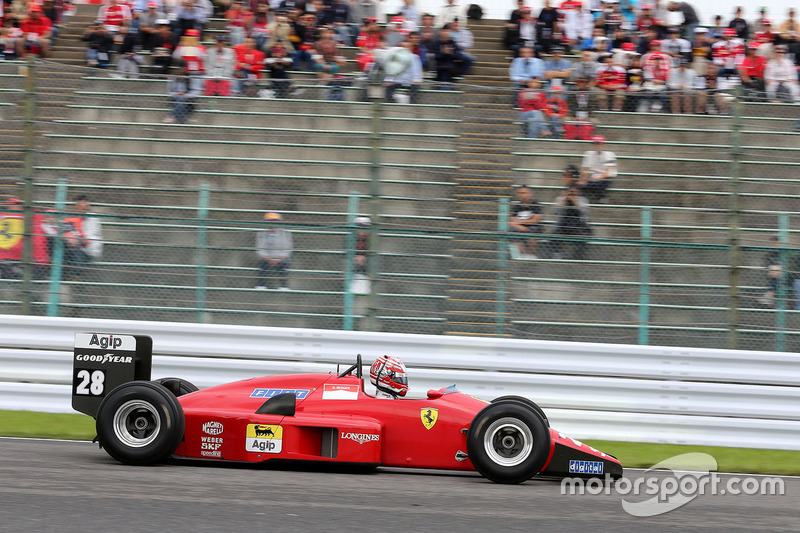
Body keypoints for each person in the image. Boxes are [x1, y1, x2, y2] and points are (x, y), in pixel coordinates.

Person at [61, 195, 103, 281]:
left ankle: (77, 276)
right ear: (75, 206)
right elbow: (68, 231)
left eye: (85, 204)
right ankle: (64, 275)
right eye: (80, 205)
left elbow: (90, 237)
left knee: (77, 251)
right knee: (64, 246)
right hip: (75, 245)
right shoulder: (72, 218)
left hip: (88, 249)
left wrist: (79, 242)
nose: (82, 208)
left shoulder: (92, 218)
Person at [550, 186, 591, 260]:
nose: (572, 193)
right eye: (571, 191)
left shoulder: (583, 200)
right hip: (562, 225)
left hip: (578, 225)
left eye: (575, 191)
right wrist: (563, 200)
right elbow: (554, 211)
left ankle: (577, 257)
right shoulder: (560, 199)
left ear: (579, 192)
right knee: (553, 236)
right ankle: (557, 254)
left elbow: (585, 212)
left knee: (583, 238)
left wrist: (576, 202)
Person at [255, 212, 292, 291]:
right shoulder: (261, 233)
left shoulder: (285, 233)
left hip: (281, 258)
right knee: (262, 262)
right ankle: (261, 285)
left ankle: (283, 286)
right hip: (267, 258)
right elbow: (260, 249)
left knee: (283, 264)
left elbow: (288, 248)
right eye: (270, 221)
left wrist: (279, 259)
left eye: (275, 221)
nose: (272, 223)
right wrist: (269, 259)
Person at [579, 134, 617, 204]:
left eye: (599, 143)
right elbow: (585, 169)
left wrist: (598, 178)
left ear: (603, 144)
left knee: (596, 184)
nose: (597, 145)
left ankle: (601, 197)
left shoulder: (610, 154)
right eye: (595, 143)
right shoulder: (589, 154)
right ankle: (584, 200)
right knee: (580, 185)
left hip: (606, 177)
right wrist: (582, 180)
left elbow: (608, 172)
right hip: (593, 176)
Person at [509, 185, 543, 257]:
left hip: (533, 227)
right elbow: (511, 221)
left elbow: (536, 220)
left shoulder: (535, 204)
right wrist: (519, 226)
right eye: (520, 193)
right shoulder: (516, 206)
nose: (522, 195)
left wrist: (518, 223)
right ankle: (523, 255)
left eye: (525, 193)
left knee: (533, 230)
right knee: (513, 231)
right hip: (520, 227)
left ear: (530, 193)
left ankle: (532, 254)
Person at [760, 234, 784, 308]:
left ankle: (768, 297)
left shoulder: (785, 253)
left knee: (775, 274)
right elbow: (764, 267)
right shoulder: (769, 254)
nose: (774, 244)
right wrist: (770, 271)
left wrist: (779, 270)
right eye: (773, 241)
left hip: (785, 275)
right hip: (773, 276)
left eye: (777, 241)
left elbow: (791, 266)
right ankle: (769, 297)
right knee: (774, 276)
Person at [351, 216, 370, 294]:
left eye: (365, 227)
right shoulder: (350, 239)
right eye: (359, 227)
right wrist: (353, 258)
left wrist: (366, 258)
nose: (362, 230)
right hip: (352, 266)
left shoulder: (372, 240)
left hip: (367, 267)